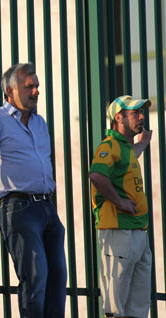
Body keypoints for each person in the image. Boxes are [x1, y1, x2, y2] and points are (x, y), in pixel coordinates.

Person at [0, 63, 67, 318]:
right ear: (10, 92)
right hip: (20, 209)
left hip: (47, 206)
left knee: (57, 280)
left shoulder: (40, 123)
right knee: (35, 276)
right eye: (29, 87)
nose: (36, 91)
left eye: (37, 86)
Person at [89, 95, 153, 318]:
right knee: (115, 308)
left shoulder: (125, 147)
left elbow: (128, 159)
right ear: (119, 117)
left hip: (137, 232)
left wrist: (143, 143)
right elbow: (96, 174)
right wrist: (119, 202)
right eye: (135, 113)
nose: (141, 117)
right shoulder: (110, 145)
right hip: (119, 232)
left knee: (138, 306)